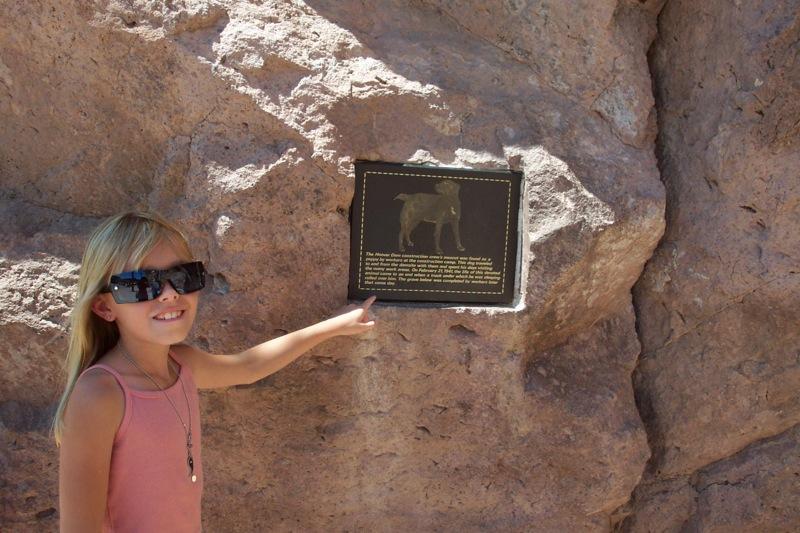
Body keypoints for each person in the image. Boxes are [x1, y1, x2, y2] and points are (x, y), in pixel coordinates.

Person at [51, 211, 377, 532]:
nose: (169, 294)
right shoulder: (101, 394)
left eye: (183, 277)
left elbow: (249, 366)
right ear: (105, 307)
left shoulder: (180, 366)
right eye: (140, 285)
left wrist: (334, 326)